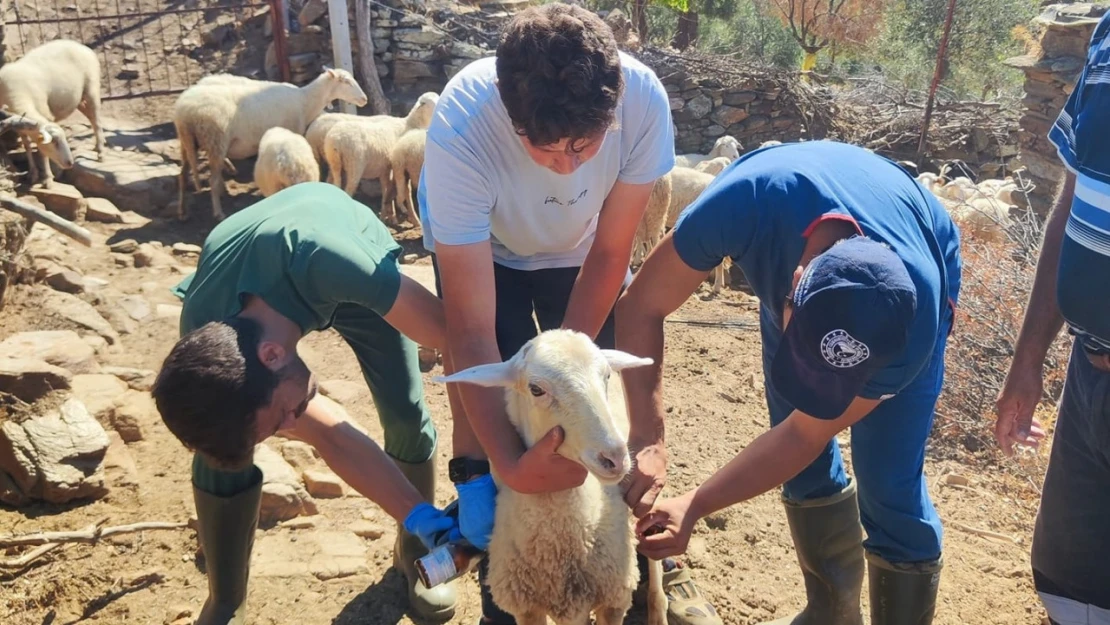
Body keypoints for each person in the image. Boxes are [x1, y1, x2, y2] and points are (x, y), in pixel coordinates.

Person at [416, 3, 721, 625]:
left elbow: (613, 250)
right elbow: (470, 329)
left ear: (611, 110)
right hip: (486, 253)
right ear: (510, 114)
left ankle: (644, 571)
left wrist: (574, 373)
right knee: (498, 405)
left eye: (586, 144)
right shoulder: (462, 128)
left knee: (592, 401)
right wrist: (507, 464)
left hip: (582, 254)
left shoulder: (641, 103)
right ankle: (494, 549)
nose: (570, 165)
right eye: (546, 147)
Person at [617, 140, 962, 625]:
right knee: (802, 451)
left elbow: (805, 432)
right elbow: (640, 305)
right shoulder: (742, 205)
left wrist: (696, 503)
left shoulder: (909, 328)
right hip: (792, 209)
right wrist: (648, 436)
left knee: (890, 483)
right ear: (793, 283)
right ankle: (830, 612)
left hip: (916, 243)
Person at [150, 182, 462, 625]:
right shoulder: (204, 334)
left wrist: (483, 466)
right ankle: (225, 599)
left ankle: (414, 554)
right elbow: (326, 435)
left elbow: (456, 337)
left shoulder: (334, 262)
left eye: (280, 419)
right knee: (220, 452)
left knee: (404, 411)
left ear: (272, 355)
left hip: (336, 254)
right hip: (266, 266)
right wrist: (421, 514)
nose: (293, 428)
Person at [994, 10, 1110, 624]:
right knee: (1068, 588)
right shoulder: (1109, 35)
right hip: (1089, 375)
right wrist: (1028, 359)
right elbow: (1075, 193)